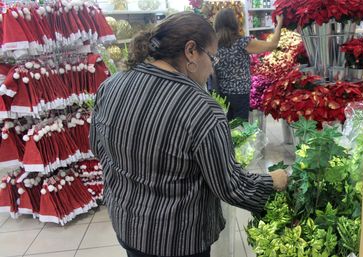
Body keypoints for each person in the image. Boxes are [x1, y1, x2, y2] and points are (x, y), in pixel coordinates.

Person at [89, 12, 288, 257]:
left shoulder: (111, 86)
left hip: (128, 225)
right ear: (191, 51)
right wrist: (273, 181)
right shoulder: (201, 108)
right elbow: (229, 186)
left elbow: (98, 148)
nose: (213, 66)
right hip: (177, 238)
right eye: (212, 57)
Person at [213, 8, 283, 121]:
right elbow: (272, 45)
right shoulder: (242, 43)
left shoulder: (214, 45)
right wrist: (279, 23)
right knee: (240, 129)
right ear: (233, 23)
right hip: (240, 94)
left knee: (226, 126)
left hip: (221, 94)